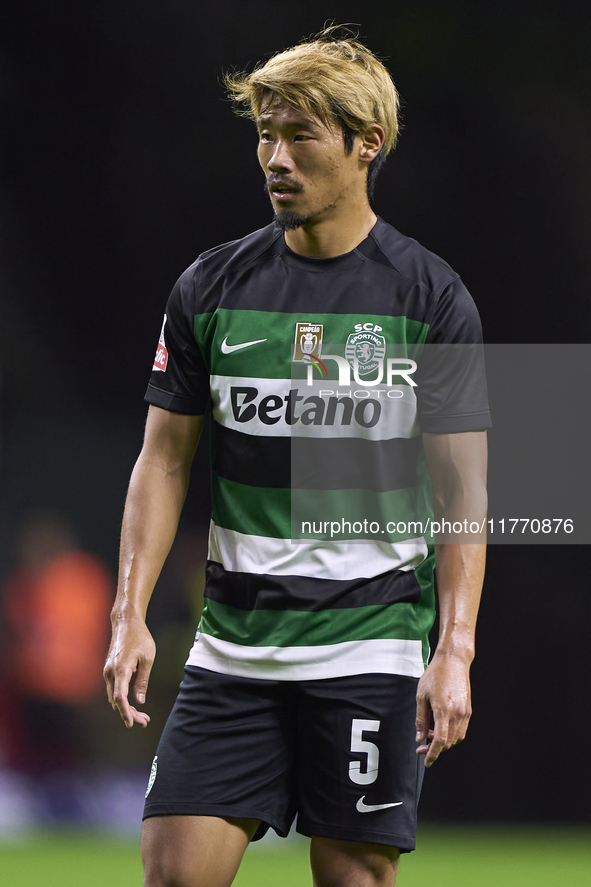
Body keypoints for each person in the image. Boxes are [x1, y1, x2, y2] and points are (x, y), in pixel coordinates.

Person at [104, 27, 490, 887]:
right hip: (233, 650)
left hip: (368, 646)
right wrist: (129, 609)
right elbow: (161, 462)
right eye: (264, 134)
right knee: (172, 875)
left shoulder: (429, 296)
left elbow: (465, 487)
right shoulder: (208, 287)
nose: (274, 157)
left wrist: (453, 647)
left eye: (301, 135)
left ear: (366, 145)